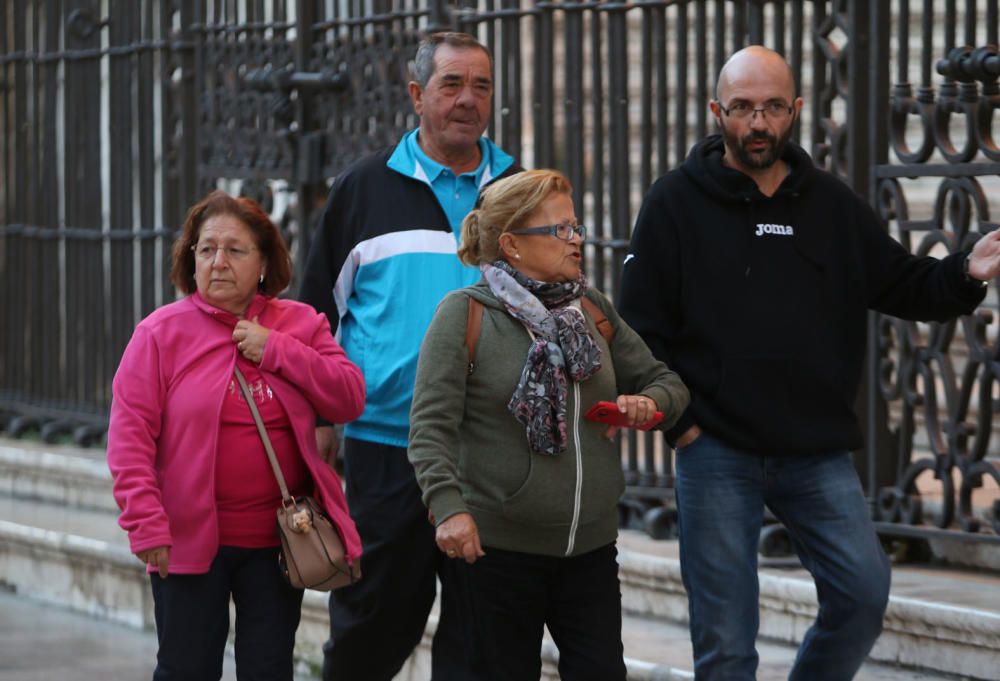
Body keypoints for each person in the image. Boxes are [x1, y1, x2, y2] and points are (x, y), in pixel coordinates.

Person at [618, 45, 1000, 681]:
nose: (758, 123)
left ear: (795, 110)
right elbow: (635, 334)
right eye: (742, 108)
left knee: (861, 594)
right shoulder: (672, 204)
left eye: (771, 107)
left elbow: (904, 284)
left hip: (814, 453)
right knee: (726, 642)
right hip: (715, 451)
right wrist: (679, 426)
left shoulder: (830, 205)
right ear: (717, 111)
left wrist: (964, 270)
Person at [407, 169, 690, 681]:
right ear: (511, 244)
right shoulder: (465, 315)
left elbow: (665, 381)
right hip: (497, 552)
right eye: (560, 230)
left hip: (590, 550)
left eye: (575, 227)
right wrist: (448, 508)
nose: (576, 239)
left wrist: (648, 403)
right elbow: (430, 427)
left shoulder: (591, 308)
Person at [298, 31, 519, 681]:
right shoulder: (363, 189)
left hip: (490, 446)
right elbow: (315, 314)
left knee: (484, 640)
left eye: (481, 86)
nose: (467, 100)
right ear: (418, 95)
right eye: (452, 85)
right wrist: (318, 418)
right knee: (373, 625)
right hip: (385, 445)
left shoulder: (516, 187)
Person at [107, 190, 365, 681]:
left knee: (268, 669)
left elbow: (348, 397)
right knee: (186, 668)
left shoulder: (299, 325)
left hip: (279, 543)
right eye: (206, 250)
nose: (218, 262)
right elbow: (129, 438)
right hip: (185, 542)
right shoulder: (159, 334)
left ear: (264, 262)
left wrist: (278, 350)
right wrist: (145, 522)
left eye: (235, 250)